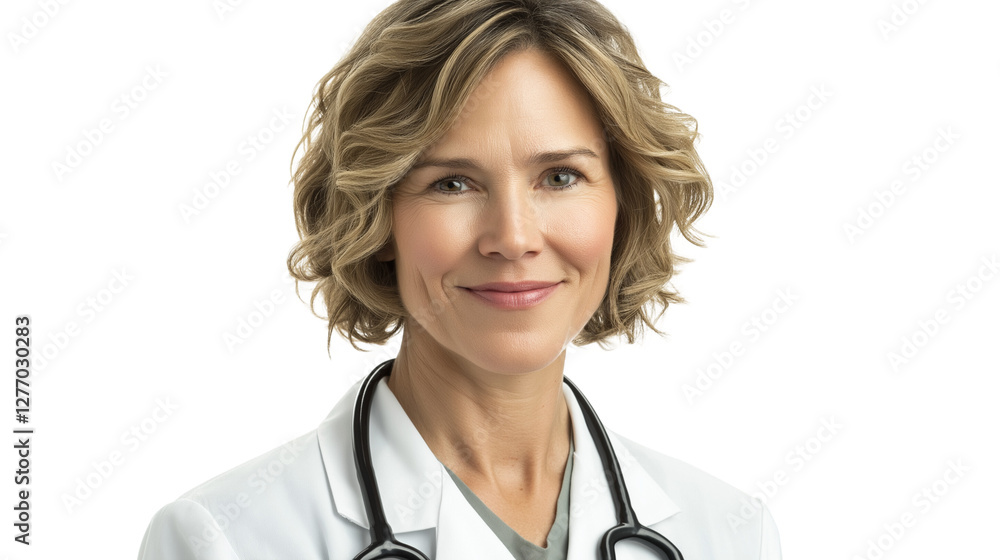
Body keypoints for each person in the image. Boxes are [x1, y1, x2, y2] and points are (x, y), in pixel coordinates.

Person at [137, 0, 781, 558]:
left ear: (624, 203)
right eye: (452, 183)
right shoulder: (226, 541)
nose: (514, 237)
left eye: (560, 176)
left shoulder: (727, 536)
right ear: (376, 216)